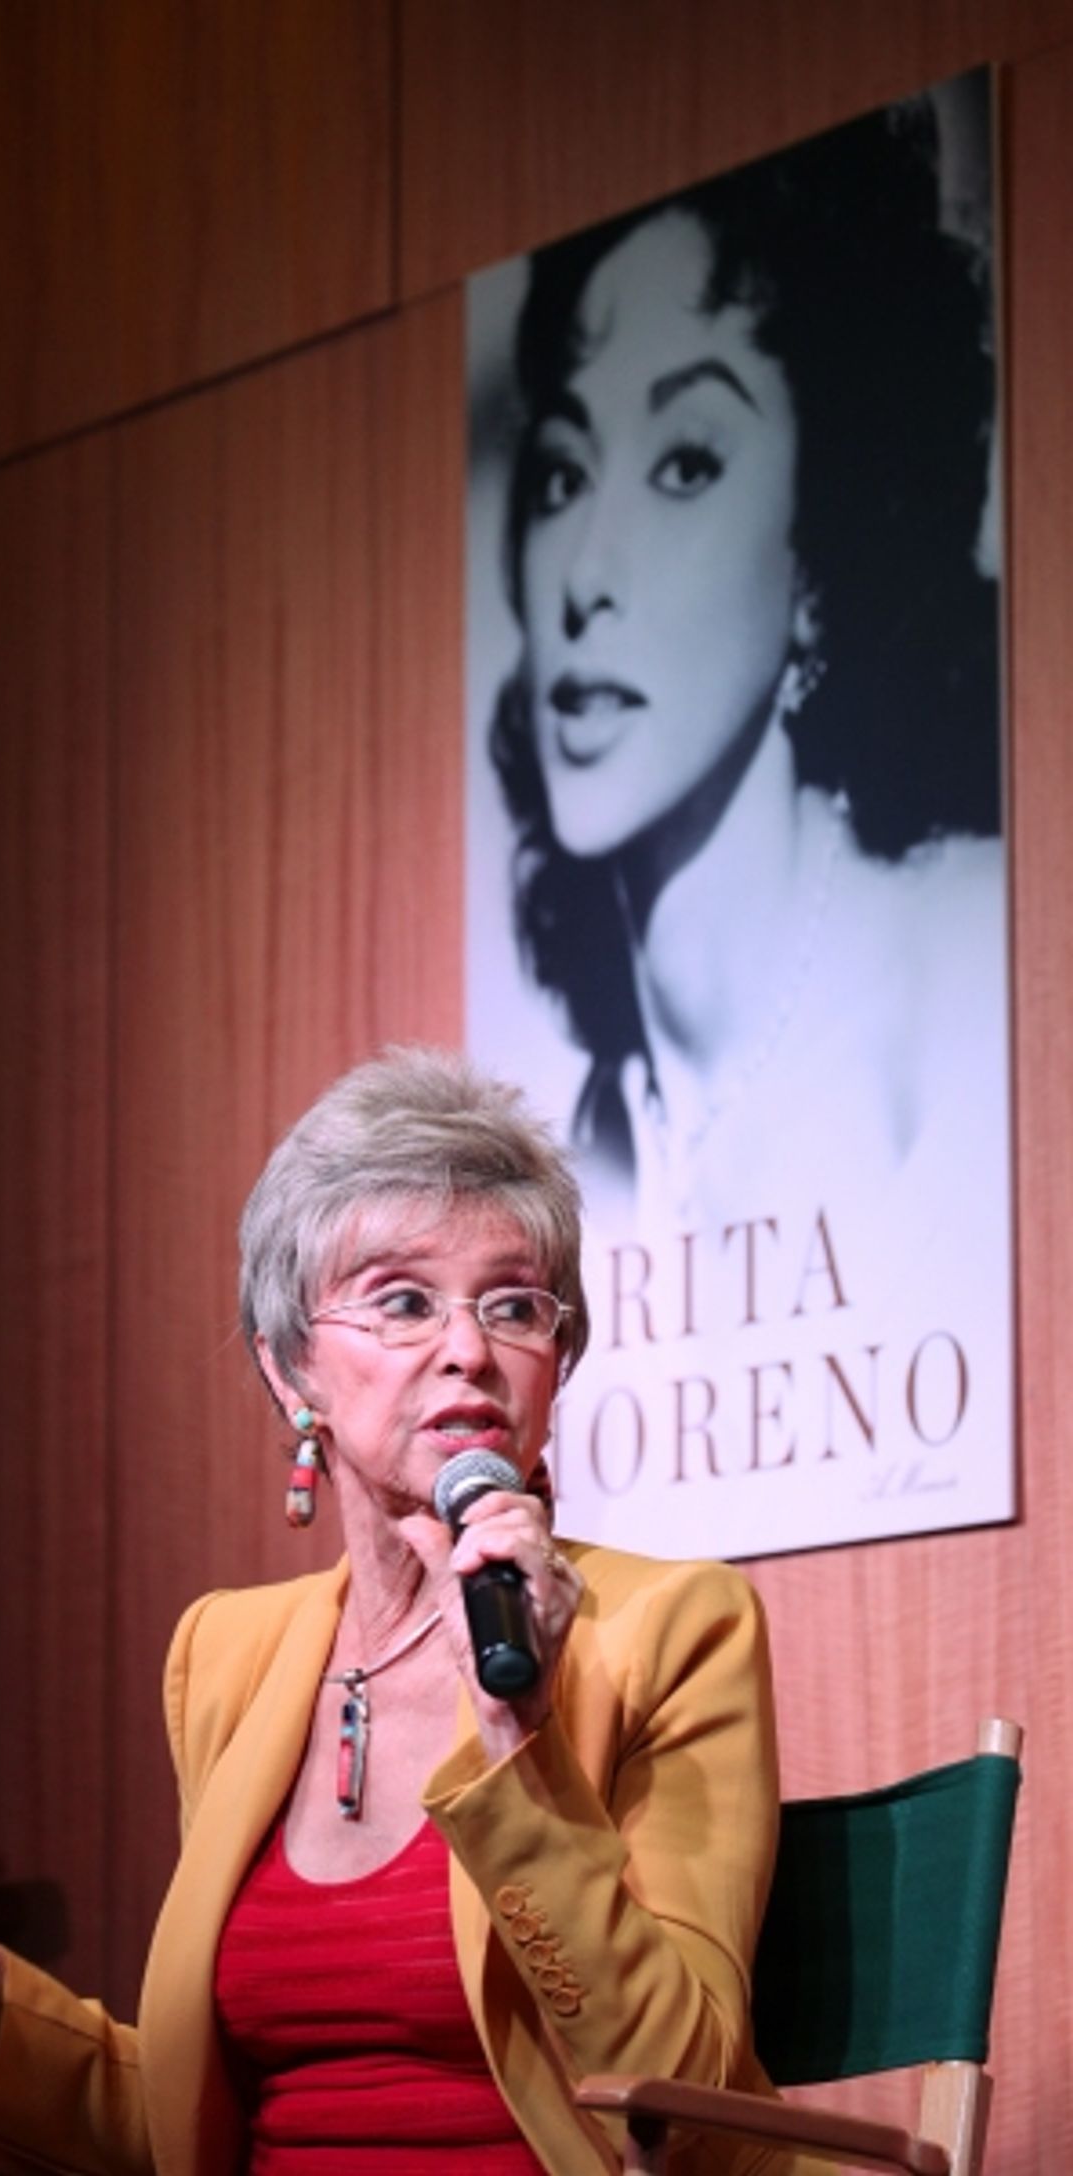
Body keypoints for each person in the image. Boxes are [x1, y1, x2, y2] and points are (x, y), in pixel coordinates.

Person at [0, 1046, 811, 2174]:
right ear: (290, 1368)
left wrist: (519, 1741)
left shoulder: (675, 1630)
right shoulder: (229, 1653)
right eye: (401, 1300)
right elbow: (199, 2119)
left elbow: (687, 2112)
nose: (468, 1350)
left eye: (515, 1305)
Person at [480, 93, 1008, 1543]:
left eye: (688, 464)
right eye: (566, 472)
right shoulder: (566, 1118)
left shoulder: (964, 986)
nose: (585, 570)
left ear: (822, 548)